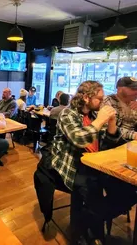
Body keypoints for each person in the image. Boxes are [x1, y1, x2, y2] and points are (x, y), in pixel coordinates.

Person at [49, 81, 136, 242]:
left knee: (129, 191)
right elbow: (79, 139)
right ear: (86, 98)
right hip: (74, 166)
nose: (103, 102)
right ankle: (87, 233)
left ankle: (88, 222)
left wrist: (111, 123)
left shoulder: (94, 115)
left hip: (96, 164)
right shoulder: (68, 113)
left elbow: (111, 142)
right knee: (92, 192)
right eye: (99, 99)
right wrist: (101, 119)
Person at [102, 77, 137, 142]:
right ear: (119, 89)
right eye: (133, 89)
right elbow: (109, 128)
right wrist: (134, 135)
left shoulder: (134, 102)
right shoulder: (107, 101)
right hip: (116, 143)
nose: (136, 91)